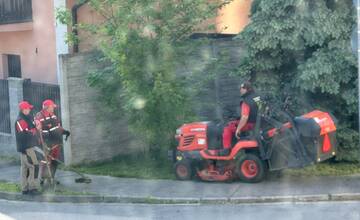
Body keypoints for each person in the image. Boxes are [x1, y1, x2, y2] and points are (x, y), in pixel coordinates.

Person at [35, 99, 70, 183]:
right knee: (45, 161)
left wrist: (64, 131)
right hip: (46, 143)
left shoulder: (53, 115)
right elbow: (37, 130)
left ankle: (52, 178)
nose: (53, 108)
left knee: (54, 161)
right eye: (52, 107)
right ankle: (42, 179)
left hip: (56, 142)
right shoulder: (39, 116)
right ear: (47, 107)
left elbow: (57, 127)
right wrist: (42, 142)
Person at [220, 82, 259, 156]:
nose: (240, 90)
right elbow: (265, 109)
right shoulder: (257, 98)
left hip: (249, 124)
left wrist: (238, 129)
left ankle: (226, 149)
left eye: (242, 88)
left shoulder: (246, 101)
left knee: (227, 127)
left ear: (248, 89)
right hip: (258, 123)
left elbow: (245, 117)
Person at [15, 101, 42, 195]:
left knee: (25, 168)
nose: (30, 109)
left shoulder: (28, 118)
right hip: (26, 147)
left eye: (30, 108)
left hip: (28, 146)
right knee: (34, 166)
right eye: (28, 108)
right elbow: (25, 135)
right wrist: (36, 129)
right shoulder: (20, 121)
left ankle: (25, 189)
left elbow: (32, 126)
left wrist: (36, 123)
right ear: (23, 110)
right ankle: (32, 188)